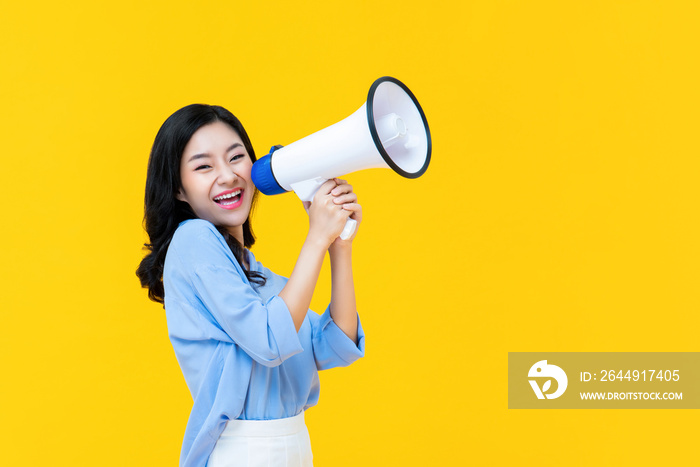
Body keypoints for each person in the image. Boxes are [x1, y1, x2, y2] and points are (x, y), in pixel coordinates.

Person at [136, 104, 365, 467]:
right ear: (179, 189)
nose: (227, 176)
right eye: (203, 166)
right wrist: (316, 239)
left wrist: (339, 247)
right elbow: (270, 340)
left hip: (295, 447)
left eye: (236, 157)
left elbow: (335, 344)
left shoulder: (253, 274)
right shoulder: (193, 240)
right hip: (244, 452)